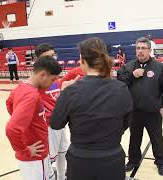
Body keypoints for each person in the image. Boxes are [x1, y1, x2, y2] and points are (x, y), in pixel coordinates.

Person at [50, 37, 133, 180]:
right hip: (112, 159)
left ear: (82, 60)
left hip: (81, 161)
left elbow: (56, 123)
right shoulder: (121, 88)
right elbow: (126, 122)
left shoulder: (71, 91)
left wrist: (62, 95)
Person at [117, 37, 163, 176]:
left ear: (149, 50)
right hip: (134, 112)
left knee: (157, 138)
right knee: (134, 138)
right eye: (138, 48)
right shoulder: (128, 67)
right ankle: (132, 161)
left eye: (143, 48)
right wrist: (132, 75)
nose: (140, 51)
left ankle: (161, 163)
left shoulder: (159, 67)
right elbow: (119, 84)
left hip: (153, 112)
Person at [5, 56, 62, 180]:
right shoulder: (31, 96)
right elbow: (11, 129)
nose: (53, 83)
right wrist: (25, 150)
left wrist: (25, 122)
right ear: (43, 75)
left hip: (37, 153)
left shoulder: (22, 87)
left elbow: (9, 104)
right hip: (34, 157)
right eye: (52, 80)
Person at [34, 43, 69, 180]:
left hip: (60, 123)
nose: (53, 58)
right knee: (49, 158)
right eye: (49, 56)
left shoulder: (54, 77)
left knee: (63, 153)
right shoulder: (38, 80)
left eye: (53, 55)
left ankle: (61, 177)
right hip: (48, 126)